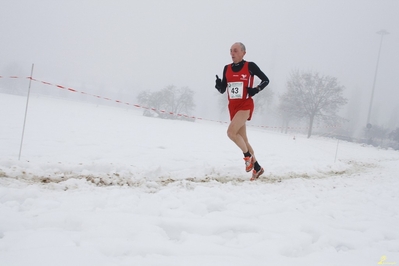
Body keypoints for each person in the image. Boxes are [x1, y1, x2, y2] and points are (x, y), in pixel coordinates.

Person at [215, 42, 269, 181]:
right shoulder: (227, 68)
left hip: (245, 105)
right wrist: (218, 85)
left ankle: (248, 158)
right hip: (232, 107)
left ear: (243, 52)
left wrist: (256, 89)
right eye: (231, 51)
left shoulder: (250, 66)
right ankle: (257, 168)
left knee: (231, 133)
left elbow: (265, 80)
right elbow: (223, 89)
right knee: (243, 140)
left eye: (235, 50)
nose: (232, 53)